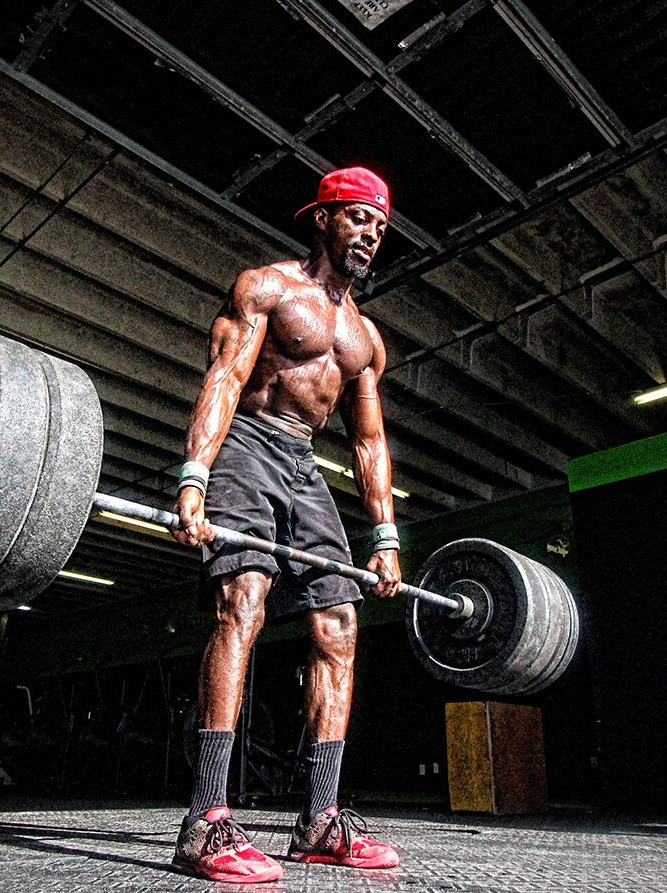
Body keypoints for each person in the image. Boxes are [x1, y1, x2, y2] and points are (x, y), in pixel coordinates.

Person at [168, 167, 403, 883]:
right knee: (244, 599)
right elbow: (225, 376)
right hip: (247, 442)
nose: (371, 233)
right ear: (324, 218)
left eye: (381, 226)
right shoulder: (266, 288)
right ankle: (207, 820)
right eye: (359, 218)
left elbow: (367, 441)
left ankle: (320, 821)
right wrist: (194, 475)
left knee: (340, 622)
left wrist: (385, 534)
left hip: (305, 465)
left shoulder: (364, 335)